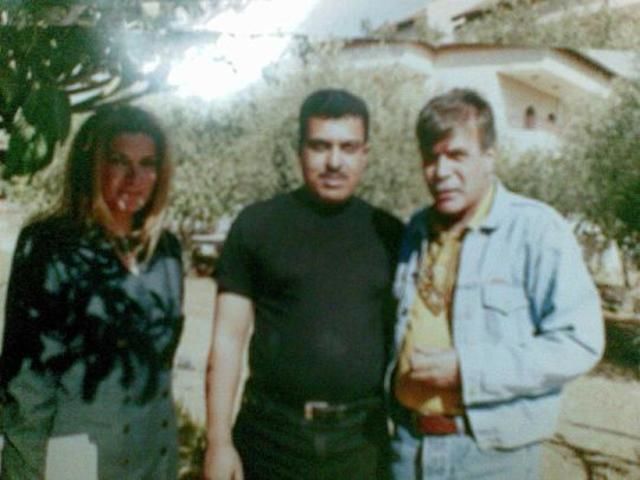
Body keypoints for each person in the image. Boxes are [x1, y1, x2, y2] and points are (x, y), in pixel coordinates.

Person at [389, 88, 604, 479]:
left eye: (457, 155)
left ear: (489, 157)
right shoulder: (415, 230)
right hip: (408, 449)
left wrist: (468, 369)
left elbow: (579, 342)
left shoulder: (536, 230)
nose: (441, 172)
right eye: (431, 157)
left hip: (492, 458)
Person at [204, 88, 404, 480]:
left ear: (366, 154)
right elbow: (227, 341)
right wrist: (218, 442)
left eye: (348, 147)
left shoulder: (390, 234)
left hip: (361, 442)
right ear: (300, 150)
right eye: (320, 146)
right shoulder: (257, 225)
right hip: (271, 438)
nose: (334, 162)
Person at [0, 105, 184, 479]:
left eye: (147, 164)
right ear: (91, 167)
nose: (134, 179)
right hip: (74, 462)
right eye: (119, 161)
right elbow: (26, 385)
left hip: (152, 462)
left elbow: (161, 372)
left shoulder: (166, 251)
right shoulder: (50, 245)